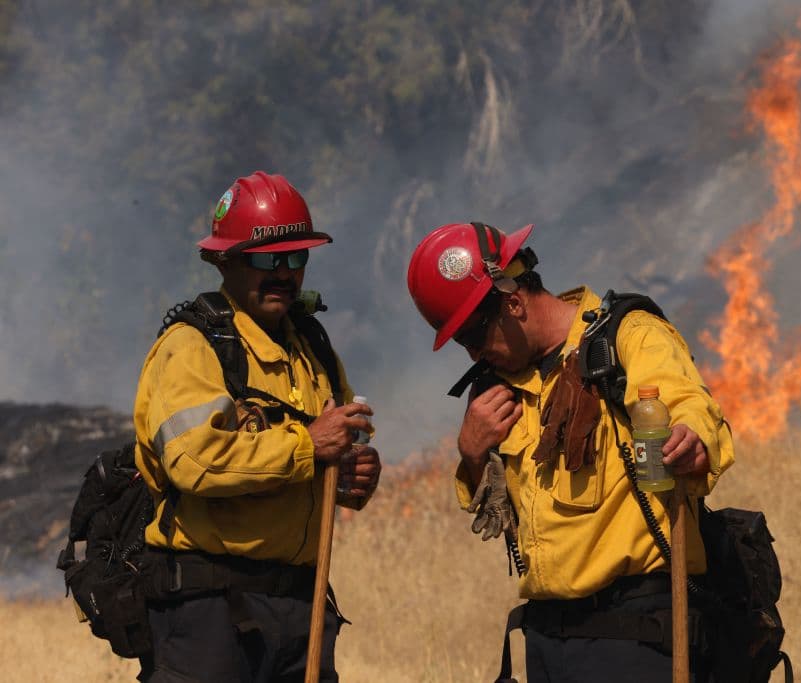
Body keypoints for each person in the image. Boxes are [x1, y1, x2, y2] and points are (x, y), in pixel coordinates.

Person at [406, 222, 735, 682]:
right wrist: (472, 454)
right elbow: (495, 512)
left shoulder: (628, 337)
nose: (473, 354)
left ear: (513, 302)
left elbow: (690, 406)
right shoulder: (498, 387)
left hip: (634, 638)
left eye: (475, 337)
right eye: (462, 343)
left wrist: (690, 440)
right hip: (547, 640)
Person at [133, 171, 381, 682]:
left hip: (300, 607)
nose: (285, 275)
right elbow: (194, 461)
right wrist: (309, 447)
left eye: (297, 259)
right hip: (209, 613)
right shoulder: (192, 346)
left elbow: (332, 452)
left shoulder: (312, 346)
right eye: (268, 260)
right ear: (225, 261)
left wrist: (353, 475)